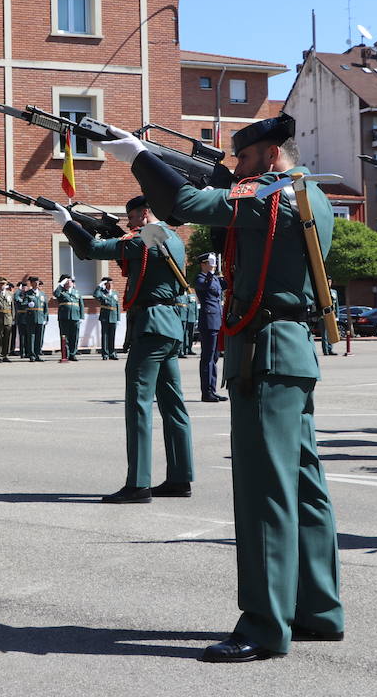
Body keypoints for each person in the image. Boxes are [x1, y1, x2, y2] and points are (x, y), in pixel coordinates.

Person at [98, 113, 342, 664]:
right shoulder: (308, 195)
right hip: (289, 350)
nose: (237, 170)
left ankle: (263, 625)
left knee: (264, 492)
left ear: (271, 153)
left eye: (245, 159)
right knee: (304, 486)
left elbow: (188, 206)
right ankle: (318, 610)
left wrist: (139, 157)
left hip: (265, 350)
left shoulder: (272, 196)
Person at [49, 193, 192, 504]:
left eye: (132, 220)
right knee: (172, 404)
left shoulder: (144, 239)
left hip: (151, 324)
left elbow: (91, 249)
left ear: (142, 214)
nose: (130, 226)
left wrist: (68, 223)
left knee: (138, 403)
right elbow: (137, 264)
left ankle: (139, 483)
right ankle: (180, 477)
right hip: (170, 324)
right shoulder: (174, 237)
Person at [194, 255, 225, 397]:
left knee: (215, 357)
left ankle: (212, 389)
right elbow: (204, 285)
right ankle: (206, 392)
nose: (213, 265)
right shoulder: (200, 278)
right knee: (208, 356)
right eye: (210, 263)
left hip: (217, 321)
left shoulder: (215, 278)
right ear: (203, 264)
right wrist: (211, 274)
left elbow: (227, 284)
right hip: (208, 321)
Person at [54, 275, 82, 360]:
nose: (69, 282)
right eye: (67, 281)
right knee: (64, 337)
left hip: (75, 317)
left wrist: (81, 317)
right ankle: (65, 354)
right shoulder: (61, 291)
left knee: (74, 336)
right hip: (64, 317)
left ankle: (73, 354)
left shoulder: (76, 292)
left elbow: (81, 305)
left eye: (70, 281)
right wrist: (60, 284)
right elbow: (56, 294)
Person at [94, 277, 120, 360]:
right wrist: (99, 286)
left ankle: (112, 353)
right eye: (109, 284)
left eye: (112, 283)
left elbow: (117, 306)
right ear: (105, 285)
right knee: (105, 336)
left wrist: (118, 318)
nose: (111, 285)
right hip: (105, 316)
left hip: (113, 316)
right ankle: (105, 354)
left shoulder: (115, 293)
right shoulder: (101, 292)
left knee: (112, 336)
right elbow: (95, 295)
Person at [0, 279, 15, 361]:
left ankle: (5, 355)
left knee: (7, 337)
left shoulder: (10, 294)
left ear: (6, 285)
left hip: (8, 318)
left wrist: (13, 318)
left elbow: (13, 307)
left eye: (3, 284)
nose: (2, 286)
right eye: (0, 284)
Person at [321, 282, 338, 357]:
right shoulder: (321, 291)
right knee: (324, 334)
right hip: (323, 315)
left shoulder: (334, 292)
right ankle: (326, 350)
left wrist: (337, 315)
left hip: (332, 315)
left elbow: (336, 304)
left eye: (330, 281)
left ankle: (330, 349)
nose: (329, 283)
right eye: (327, 281)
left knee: (331, 333)